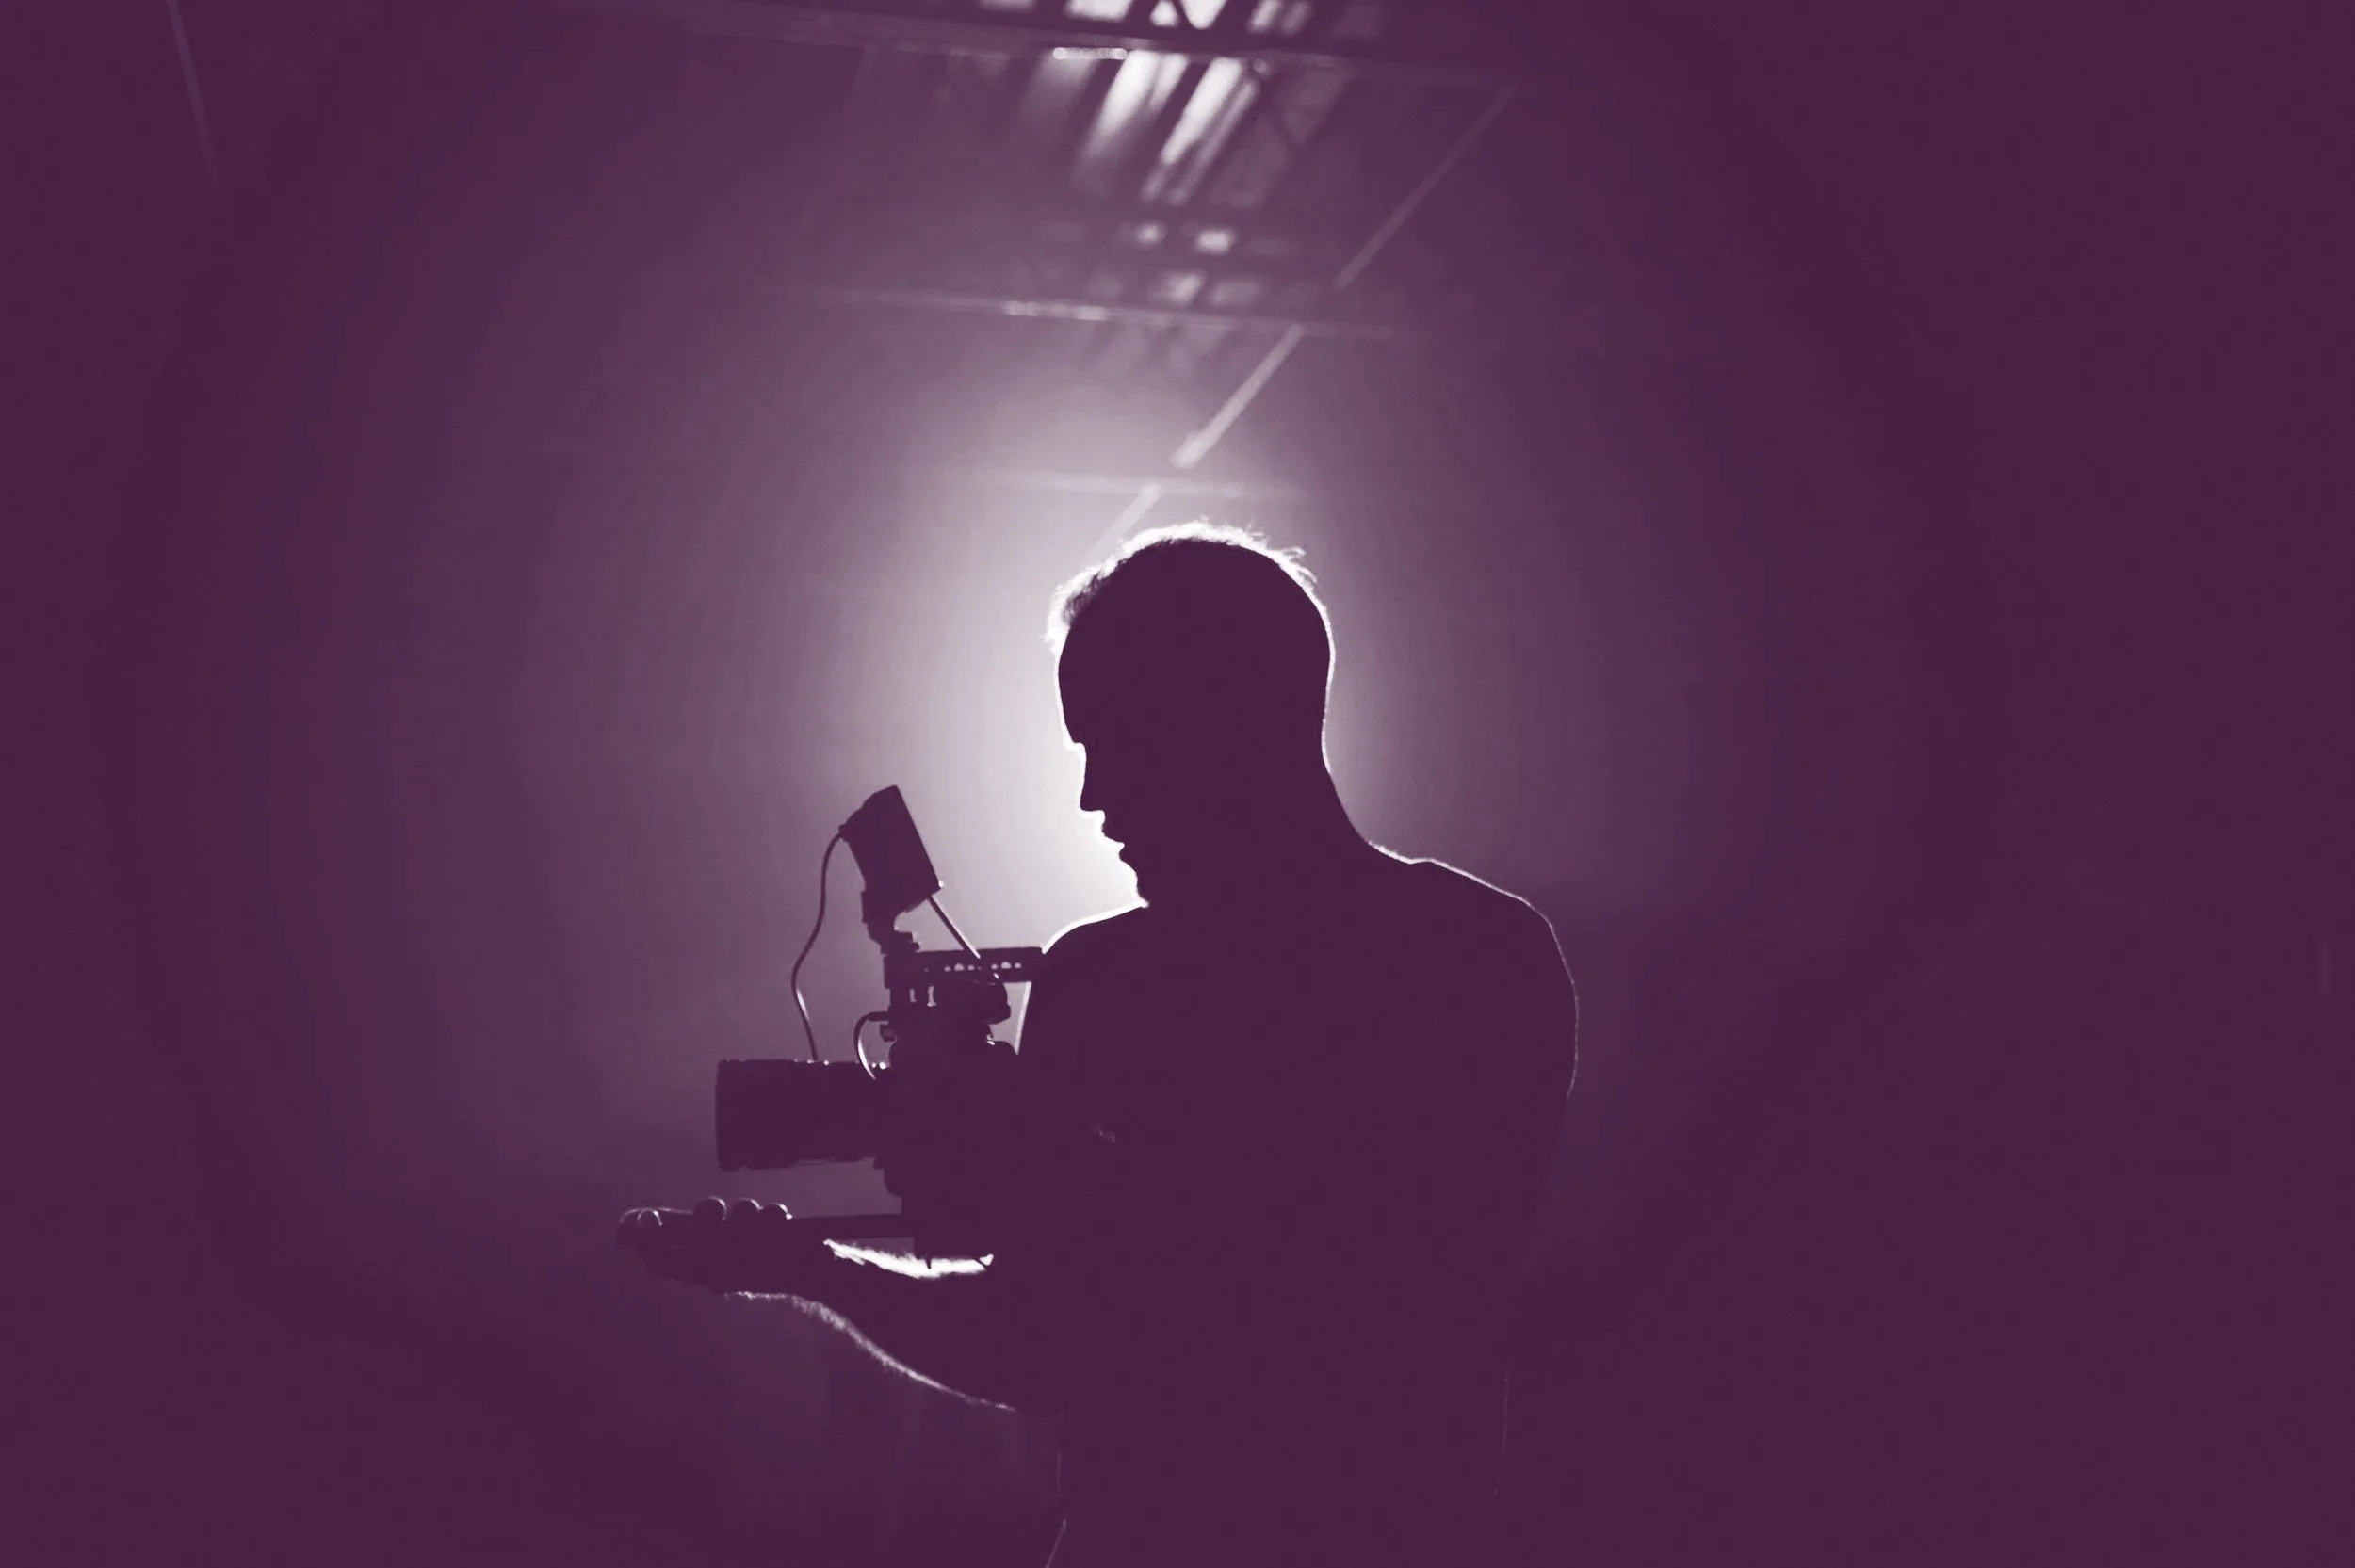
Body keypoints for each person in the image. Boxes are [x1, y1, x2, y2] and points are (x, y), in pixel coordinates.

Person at [631, 524, 1577, 1567]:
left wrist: (1039, 1151)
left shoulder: (1468, 961)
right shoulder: (1100, 978)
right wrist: (811, 1266)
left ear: (1232, 718)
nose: (1091, 798)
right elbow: (1045, 1341)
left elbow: (1362, 1304)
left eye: (1115, 740)